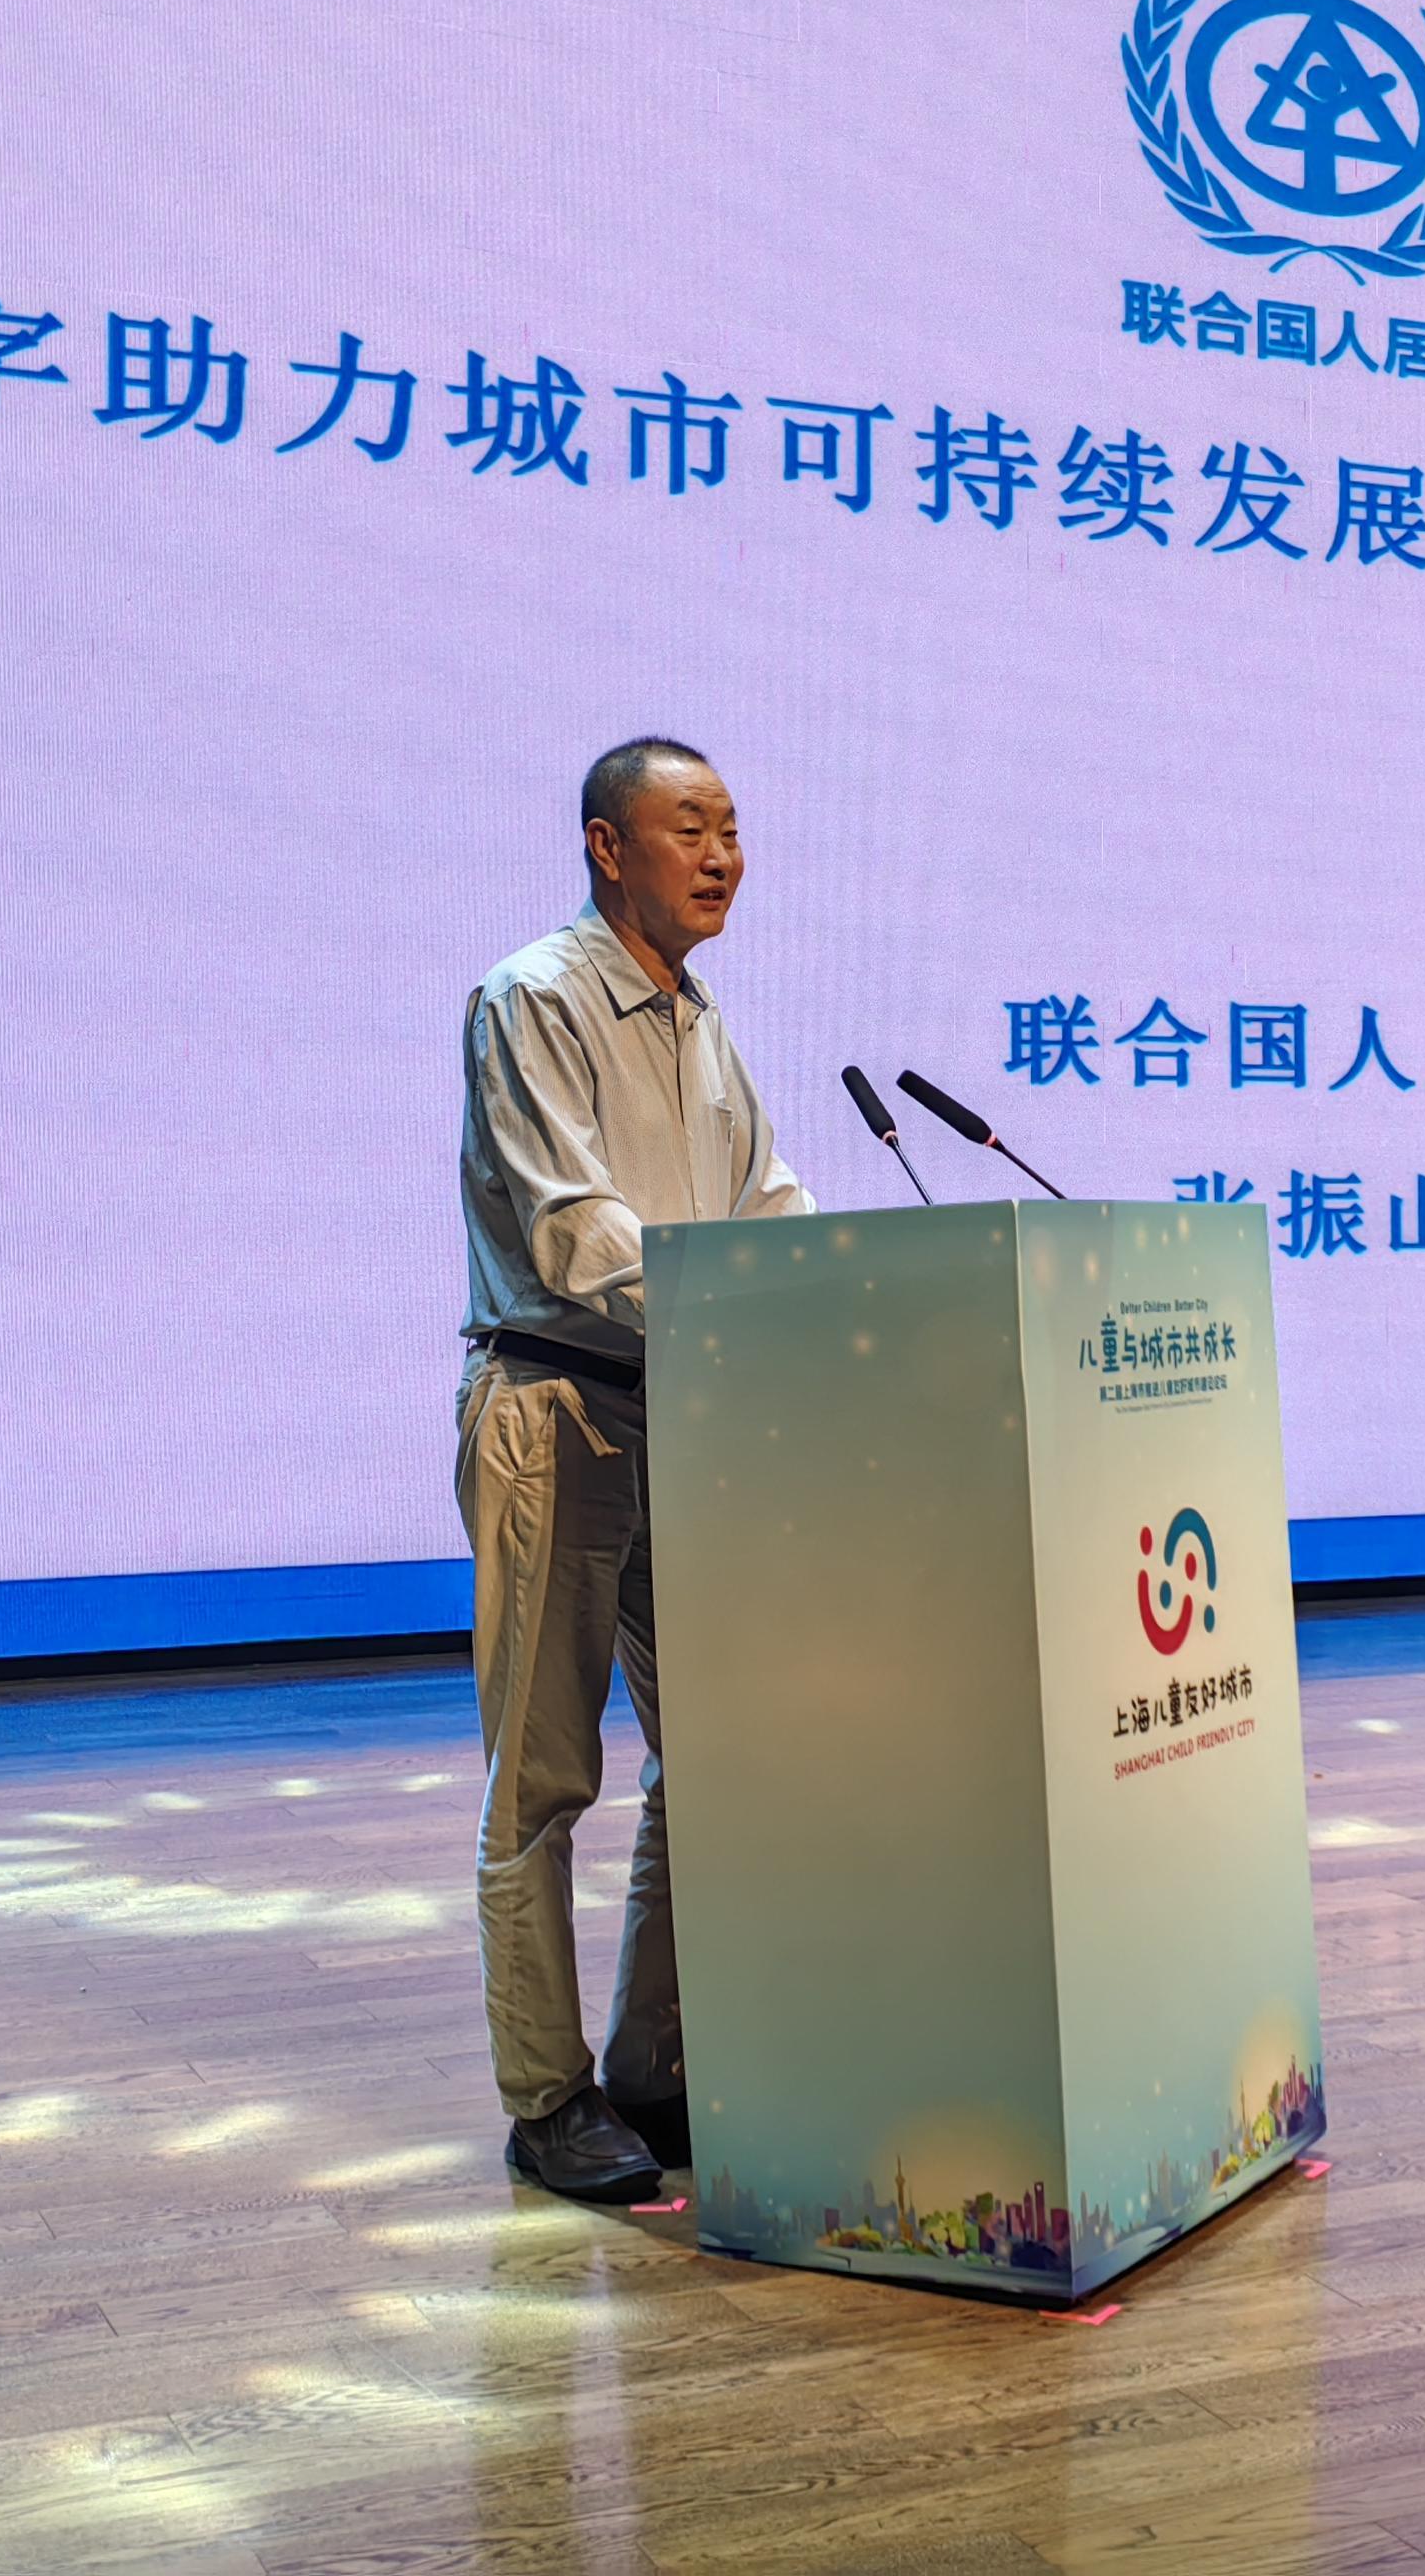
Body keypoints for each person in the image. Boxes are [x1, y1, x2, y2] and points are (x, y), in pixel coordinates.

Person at [454, 736, 813, 2202]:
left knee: (713, 1753)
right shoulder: (533, 998)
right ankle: (547, 2101)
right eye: (691, 829)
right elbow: (573, 1230)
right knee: (543, 1776)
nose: (723, 857)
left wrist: (863, 1297)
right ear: (609, 847)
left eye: (733, 829)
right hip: (555, 1409)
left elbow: (767, 1204)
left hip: (688, 1412)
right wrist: (738, 1309)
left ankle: (657, 2070)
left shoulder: (700, 1018)